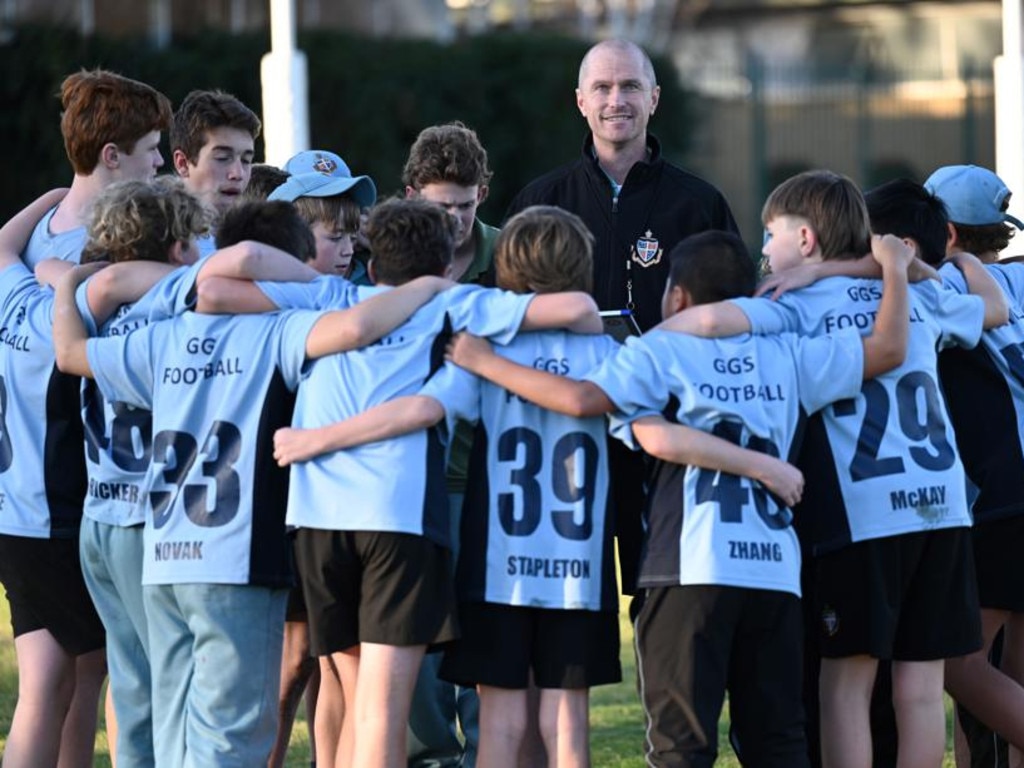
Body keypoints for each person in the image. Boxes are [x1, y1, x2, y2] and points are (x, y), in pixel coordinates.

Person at [51, 199, 459, 768]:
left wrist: (69, 282)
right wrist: (427, 288)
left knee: (174, 734)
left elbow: (69, 354)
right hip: (233, 555)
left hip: (164, 555)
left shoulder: (164, 336)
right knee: (231, 739)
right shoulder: (280, 330)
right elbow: (361, 325)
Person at [657, 169, 1008, 768]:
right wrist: (886, 266)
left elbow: (716, 323)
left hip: (864, 514)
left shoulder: (792, 301)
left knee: (845, 685)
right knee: (920, 692)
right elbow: (992, 309)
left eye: (772, 234)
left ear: (807, 239)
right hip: (942, 507)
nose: (764, 250)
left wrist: (652, 339)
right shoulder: (914, 293)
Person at [251, 197, 602, 768]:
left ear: (370, 257)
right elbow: (577, 310)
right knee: (382, 711)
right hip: (395, 517)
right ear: (445, 266)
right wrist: (441, 294)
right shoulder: (456, 303)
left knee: (347, 689)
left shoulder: (327, 298)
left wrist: (314, 439)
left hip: (315, 517)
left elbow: (220, 283)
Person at [505, 38, 741, 600]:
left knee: (662, 593)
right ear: (580, 101)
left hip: (666, 427)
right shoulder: (540, 201)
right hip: (568, 425)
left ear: (654, 98)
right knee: (573, 598)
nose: (617, 100)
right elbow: (509, 312)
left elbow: (732, 308)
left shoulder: (698, 203)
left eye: (631, 86)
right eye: (603, 88)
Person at [399, 119, 500, 768]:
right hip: (411, 474)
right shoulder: (389, 257)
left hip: (491, 474)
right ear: (412, 196)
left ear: (483, 194)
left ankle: (486, 756)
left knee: (486, 634)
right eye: (442, 208)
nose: (458, 221)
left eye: (467, 205)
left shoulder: (510, 254)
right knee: (417, 636)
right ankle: (428, 758)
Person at [918, 166, 1024, 768]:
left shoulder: (948, 284)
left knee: (960, 664)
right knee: (1014, 673)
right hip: (1013, 486)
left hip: (994, 495)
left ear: (945, 230)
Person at [0, 188, 108, 768]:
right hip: (48, 513)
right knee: (74, 674)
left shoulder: (14, 293)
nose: (161, 158)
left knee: (55, 677)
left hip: (13, 507)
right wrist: (72, 274)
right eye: (151, 148)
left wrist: (49, 196)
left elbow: (2, 246)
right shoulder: (69, 312)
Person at [22, 68, 172, 270]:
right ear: (112, 156)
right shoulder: (111, 256)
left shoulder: (32, 229)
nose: (160, 160)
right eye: (152, 148)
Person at [170, 89, 261, 255]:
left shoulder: (260, 240)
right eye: (222, 158)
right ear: (182, 163)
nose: (238, 173)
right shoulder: (155, 241)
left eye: (246, 160)